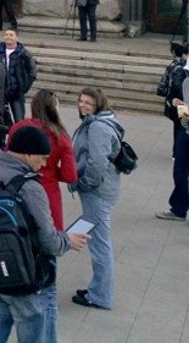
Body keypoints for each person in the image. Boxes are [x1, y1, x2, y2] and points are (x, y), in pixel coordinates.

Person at [0, 124, 88, 342]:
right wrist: (67, 240)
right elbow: (50, 242)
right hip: (25, 282)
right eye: (42, 158)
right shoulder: (31, 187)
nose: (43, 165)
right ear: (27, 154)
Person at [69, 87, 123, 310]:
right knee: (96, 237)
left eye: (88, 103)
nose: (82, 105)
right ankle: (98, 288)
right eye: (81, 101)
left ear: (98, 105)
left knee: (100, 244)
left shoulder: (98, 127)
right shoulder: (100, 122)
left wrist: (84, 183)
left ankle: (100, 295)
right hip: (103, 189)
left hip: (97, 191)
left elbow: (97, 163)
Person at [8, 90, 77, 228]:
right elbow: (70, 176)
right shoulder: (60, 136)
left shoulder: (18, 127)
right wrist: (50, 170)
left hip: (17, 187)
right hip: (48, 191)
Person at [157, 41, 189, 222]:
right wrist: (178, 105)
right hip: (185, 129)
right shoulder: (181, 73)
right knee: (179, 171)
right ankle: (179, 208)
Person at [0, 29, 37, 123]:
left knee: (19, 121)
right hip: (1, 91)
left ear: (16, 37)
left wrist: (25, 87)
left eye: (11, 35)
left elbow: (32, 71)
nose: (8, 37)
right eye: (6, 34)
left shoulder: (24, 53)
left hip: (17, 92)